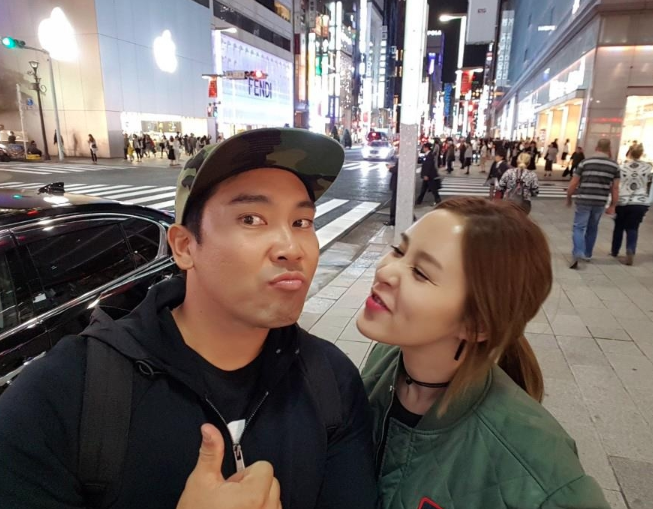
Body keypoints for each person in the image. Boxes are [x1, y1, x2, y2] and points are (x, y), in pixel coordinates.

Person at [0, 128, 377, 509]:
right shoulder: (63, 395)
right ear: (184, 246)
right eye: (251, 219)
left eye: (302, 222)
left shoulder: (331, 381)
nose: (291, 248)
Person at [357, 197, 610, 509]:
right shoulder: (383, 361)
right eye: (399, 250)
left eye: (420, 273)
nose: (386, 270)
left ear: (477, 324)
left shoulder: (543, 475)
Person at [566, 138, 620, 269]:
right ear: (609, 149)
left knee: (579, 227)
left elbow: (574, 182)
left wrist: (569, 196)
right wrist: (613, 205)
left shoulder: (585, 162)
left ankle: (577, 252)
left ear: (596, 147)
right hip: (600, 201)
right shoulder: (614, 166)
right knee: (593, 227)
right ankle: (588, 254)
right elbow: (615, 188)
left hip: (584, 200)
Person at [610, 143, 652, 265]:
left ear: (629, 152)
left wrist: (612, 203)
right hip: (640, 202)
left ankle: (615, 250)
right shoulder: (648, 167)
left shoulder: (622, 167)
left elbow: (616, 185)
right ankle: (630, 250)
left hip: (623, 201)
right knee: (633, 228)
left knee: (619, 227)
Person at [415, 143, 442, 207]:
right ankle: (419, 200)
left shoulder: (429, 155)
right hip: (429, 175)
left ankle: (437, 199)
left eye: (424, 147)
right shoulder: (428, 154)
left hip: (429, 175)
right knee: (424, 189)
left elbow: (429, 166)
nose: (423, 149)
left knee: (433, 189)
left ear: (427, 148)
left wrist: (426, 175)